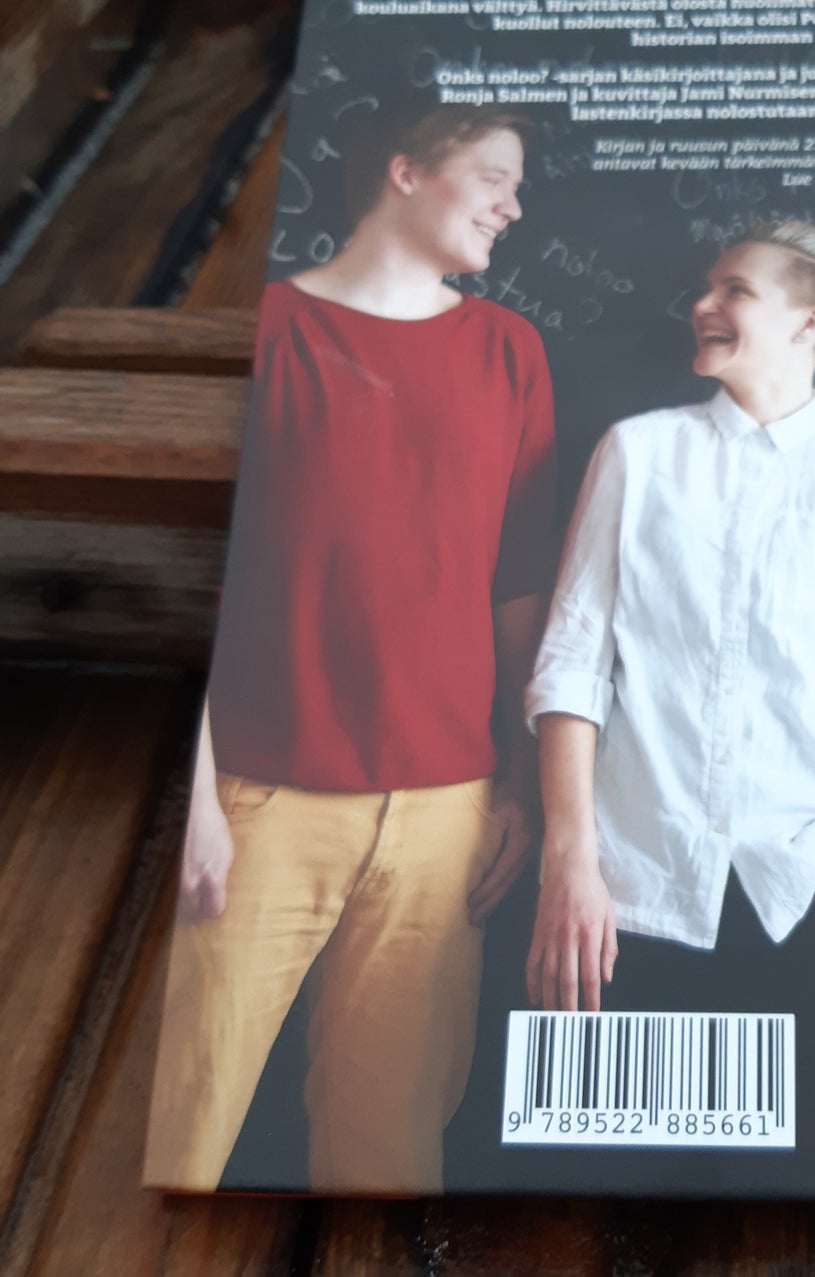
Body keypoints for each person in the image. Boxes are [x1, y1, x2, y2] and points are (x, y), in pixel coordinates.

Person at [144, 99, 556, 1193]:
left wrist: (519, 782)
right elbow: (185, 575)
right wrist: (189, 798)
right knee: (178, 1133)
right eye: (495, 178)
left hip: (447, 816)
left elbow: (519, 583)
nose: (514, 208)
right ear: (406, 172)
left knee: (389, 1158)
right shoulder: (269, 331)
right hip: (254, 801)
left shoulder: (509, 350)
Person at [523, 220, 815, 1134]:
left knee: (767, 1158)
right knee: (609, 1145)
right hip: (629, 889)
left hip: (803, 882)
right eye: (706, 287)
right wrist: (570, 861)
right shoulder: (637, 451)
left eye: (734, 290)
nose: (702, 305)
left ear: (808, 322)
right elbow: (571, 665)